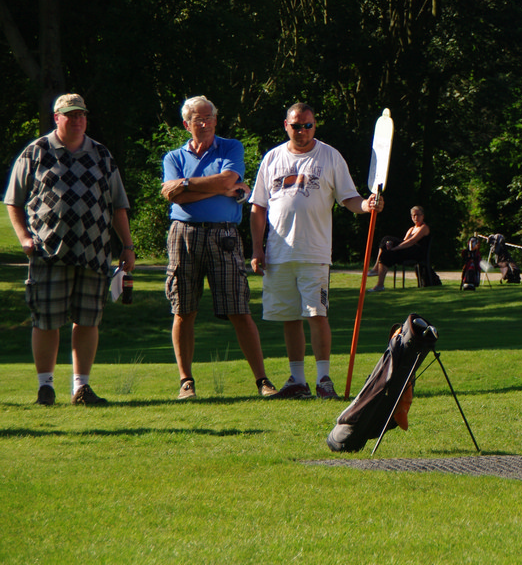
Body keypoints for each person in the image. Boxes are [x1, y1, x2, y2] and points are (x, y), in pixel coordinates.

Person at [4, 93, 135, 406]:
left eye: (81, 115)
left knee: (88, 320)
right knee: (46, 320)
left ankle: (81, 388)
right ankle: (45, 387)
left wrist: (127, 246)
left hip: (94, 253)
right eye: (71, 115)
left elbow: (118, 205)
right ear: (57, 118)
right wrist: (24, 238)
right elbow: (13, 201)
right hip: (48, 253)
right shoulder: (36, 152)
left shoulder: (101, 154)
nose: (77, 120)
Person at [250, 103, 382, 399]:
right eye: (296, 126)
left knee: (316, 313)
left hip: (314, 252)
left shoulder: (330, 156)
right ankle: (298, 380)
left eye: (308, 125)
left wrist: (366, 205)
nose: (302, 131)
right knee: (289, 317)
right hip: (278, 253)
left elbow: (349, 198)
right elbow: (258, 207)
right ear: (286, 125)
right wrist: (257, 249)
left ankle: (324, 379)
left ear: (315, 125)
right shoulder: (272, 157)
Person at [161, 96, 278, 400]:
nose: (206, 123)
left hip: (224, 234)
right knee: (183, 309)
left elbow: (228, 179)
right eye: (198, 119)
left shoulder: (231, 148)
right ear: (186, 124)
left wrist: (186, 185)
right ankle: (186, 381)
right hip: (183, 235)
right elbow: (173, 196)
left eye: (210, 117)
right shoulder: (173, 157)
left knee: (239, 308)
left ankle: (262, 380)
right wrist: (217, 190)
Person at [370, 206, 430, 291]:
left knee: (386, 238)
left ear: (423, 216)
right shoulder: (411, 229)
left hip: (417, 252)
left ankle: (376, 268)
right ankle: (380, 285)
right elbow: (404, 241)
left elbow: (411, 241)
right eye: (413, 215)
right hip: (407, 251)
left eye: (418, 215)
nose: (416, 217)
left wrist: (395, 248)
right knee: (385, 254)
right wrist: (392, 249)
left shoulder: (424, 228)